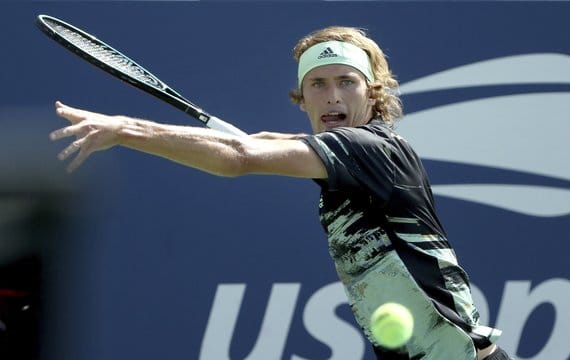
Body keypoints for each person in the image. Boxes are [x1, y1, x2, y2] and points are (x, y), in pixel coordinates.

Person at [50, 26, 512, 360]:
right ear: (303, 98)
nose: (332, 96)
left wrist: (126, 130)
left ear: (372, 94)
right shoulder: (338, 156)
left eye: (346, 82)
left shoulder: (371, 148)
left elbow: (238, 155)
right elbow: (262, 142)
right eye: (318, 84)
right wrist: (250, 144)